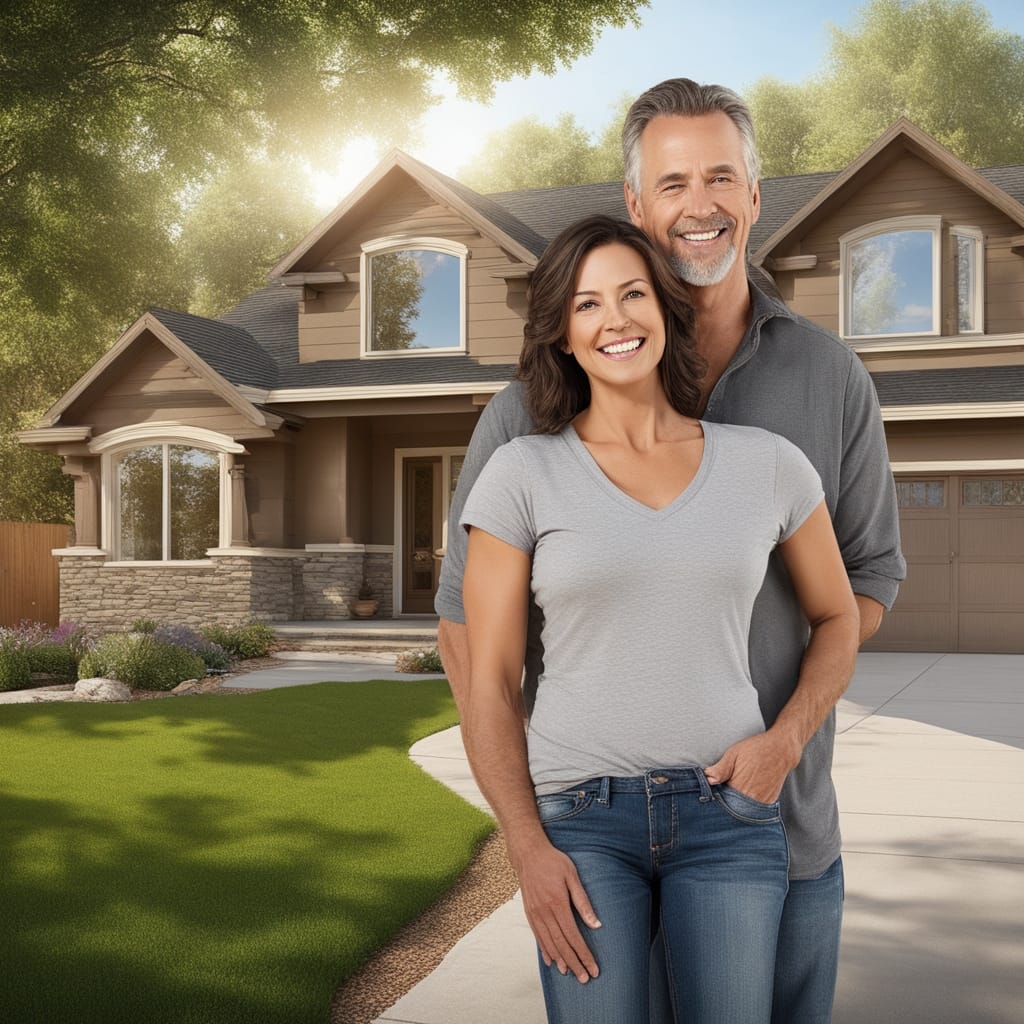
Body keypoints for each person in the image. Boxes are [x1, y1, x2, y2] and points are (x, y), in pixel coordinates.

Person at [437, 78, 906, 1023]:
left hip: (775, 817)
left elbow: (864, 584)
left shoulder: (824, 380)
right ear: (638, 205)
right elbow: (468, 642)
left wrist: (782, 743)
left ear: (755, 196)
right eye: (674, 182)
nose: (701, 204)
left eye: (722, 177)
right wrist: (527, 839)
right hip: (590, 823)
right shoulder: (525, 427)